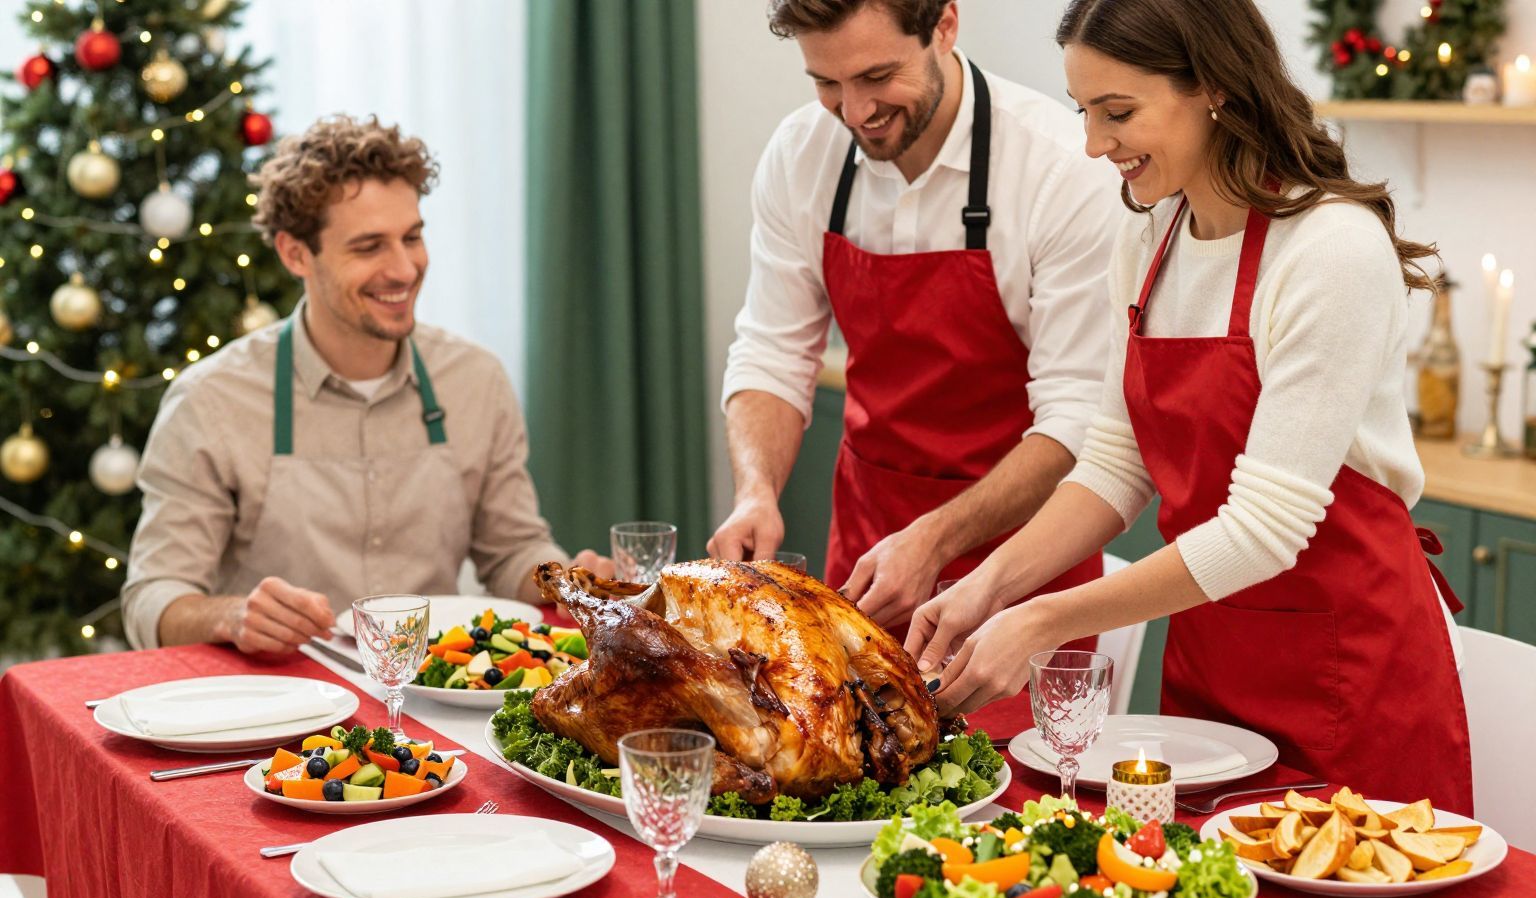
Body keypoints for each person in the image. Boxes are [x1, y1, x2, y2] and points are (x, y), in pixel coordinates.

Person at [907, 0, 1472, 812]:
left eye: (1119, 113)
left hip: (1349, 668)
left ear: (1211, 86)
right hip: (1211, 664)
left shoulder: (1329, 249)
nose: (1096, 145)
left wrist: (1042, 621)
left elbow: (1264, 530)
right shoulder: (1151, 238)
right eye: (1085, 113)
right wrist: (987, 587)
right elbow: (1115, 461)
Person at [123, 116, 611, 656]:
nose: (404, 269)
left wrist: (563, 581)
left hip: (434, 691)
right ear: (295, 254)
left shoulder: (475, 380)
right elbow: (152, 597)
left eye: (412, 237)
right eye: (369, 246)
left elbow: (512, 549)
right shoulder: (211, 400)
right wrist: (234, 616)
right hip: (280, 705)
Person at [710, 0, 1119, 641]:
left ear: (945, 25)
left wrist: (933, 540)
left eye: (877, 77)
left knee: (1000, 747)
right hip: (866, 561)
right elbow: (771, 353)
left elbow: (1077, 421)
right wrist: (755, 491)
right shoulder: (801, 154)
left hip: (1022, 577)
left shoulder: (1060, 169)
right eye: (826, 83)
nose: (855, 112)